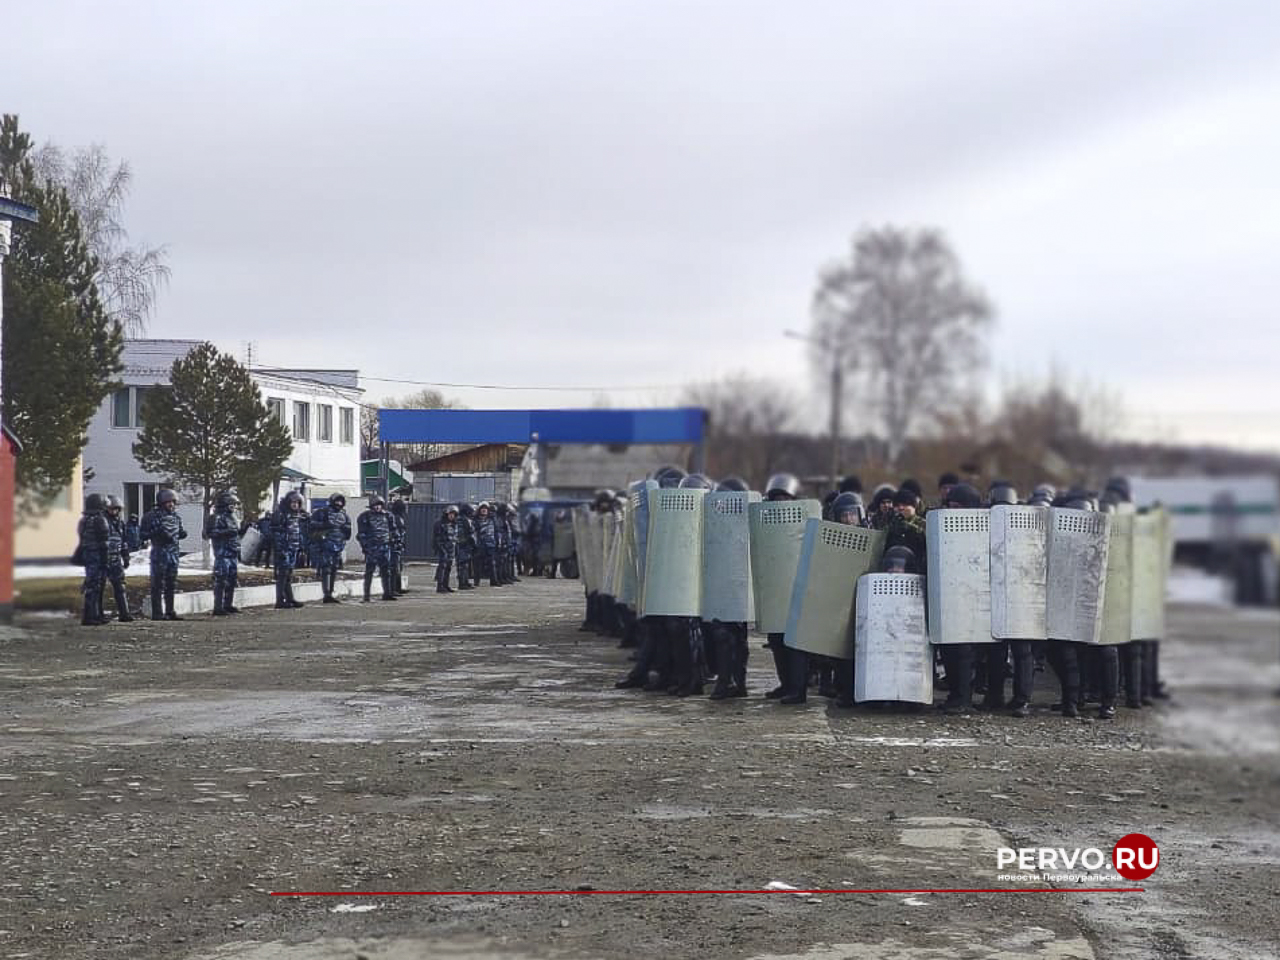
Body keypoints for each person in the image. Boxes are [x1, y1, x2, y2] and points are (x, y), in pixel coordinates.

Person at [937, 482, 982, 713]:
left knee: (964, 652)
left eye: (958, 506)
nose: (953, 511)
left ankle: (964, 698)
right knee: (949, 650)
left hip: (970, 599)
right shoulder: (944, 528)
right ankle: (955, 695)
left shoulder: (980, 530)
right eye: (951, 506)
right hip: (949, 596)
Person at [761, 472, 802, 701]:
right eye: (777, 499)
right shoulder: (765, 522)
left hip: (796, 589)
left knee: (794, 641)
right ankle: (786, 684)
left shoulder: (802, 520)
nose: (781, 504)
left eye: (785, 499)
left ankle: (797, 689)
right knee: (776, 640)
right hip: (775, 589)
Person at [141, 488, 188, 621]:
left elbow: (179, 532)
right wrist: (157, 532)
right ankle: (157, 613)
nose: (171, 505)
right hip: (160, 553)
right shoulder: (151, 516)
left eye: (173, 502)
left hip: (173, 553)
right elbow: (142, 534)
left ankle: (170, 610)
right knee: (157, 584)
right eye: (168, 502)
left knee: (171, 583)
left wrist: (182, 534)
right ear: (162, 502)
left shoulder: (175, 517)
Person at [76, 493, 111, 626]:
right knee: (95, 586)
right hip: (97, 554)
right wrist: (105, 560)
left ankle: (94, 614)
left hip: (88, 554)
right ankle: (90, 616)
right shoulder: (100, 520)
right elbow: (104, 541)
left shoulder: (84, 520)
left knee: (92, 584)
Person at [310, 493, 352, 604]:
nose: (339, 504)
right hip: (326, 544)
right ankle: (326, 594)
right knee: (326, 568)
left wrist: (346, 530)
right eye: (337, 501)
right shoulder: (322, 512)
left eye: (341, 502)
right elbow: (312, 524)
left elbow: (348, 530)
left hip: (338, 545)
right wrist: (324, 525)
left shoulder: (344, 515)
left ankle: (330, 592)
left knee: (333, 569)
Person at [357, 494, 398, 602]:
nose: (377, 507)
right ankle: (366, 595)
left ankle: (387, 593)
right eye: (375, 505)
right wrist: (365, 546)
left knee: (386, 571)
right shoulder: (364, 517)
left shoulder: (388, 516)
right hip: (372, 547)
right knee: (369, 571)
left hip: (385, 546)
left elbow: (394, 530)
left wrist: (394, 541)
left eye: (379, 505)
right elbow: (361, 533)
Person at [100, 495, 134, 623]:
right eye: (112, 508)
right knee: (99, 587)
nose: (114, 511)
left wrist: (125, 556)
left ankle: (124, 613)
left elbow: (123, 540)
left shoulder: (120, 523)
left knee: (120, 586)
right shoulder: (100, 521)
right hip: (103, 558)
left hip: (115, 558)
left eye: (117, 509)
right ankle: (97, 614)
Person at [271, 491, 307, 609]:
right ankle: (279, 600)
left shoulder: (296, 515)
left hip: (293, 548)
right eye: (293, 502)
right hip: (284, 548)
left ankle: (290, 598)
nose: (295, 505)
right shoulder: (281, 514)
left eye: (297, 502)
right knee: (282, 574)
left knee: (288, 574)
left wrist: (301, 546)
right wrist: (280, 549)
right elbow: (276, 533)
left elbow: (298, 532)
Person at [209, 492, 242, 616]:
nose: (233, 506)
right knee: (221, 580)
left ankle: (228, 604)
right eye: (231, 504)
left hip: (232, 552)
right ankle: (218, 606)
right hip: (222, 553)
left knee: (232, 579)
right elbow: (210, 533)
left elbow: (237, 532)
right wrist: (226, 532)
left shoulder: (233, 517)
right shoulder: (216, 517)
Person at [473, 501, 500, 588]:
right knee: (478, 564)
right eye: (482, 509)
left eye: (485, 509)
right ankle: (476, 581)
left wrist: (497, 542)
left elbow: (496, 531)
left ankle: (494, 581)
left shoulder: (492, 519)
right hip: (480, 545)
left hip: (490, 544)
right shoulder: (475, 520)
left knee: (492, 563)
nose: (484, 511)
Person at [434, 505, 460, 594]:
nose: (452, 516)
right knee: (442, 566)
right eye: (450, 514)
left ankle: (445, 584)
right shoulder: (440, 523)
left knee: (448, 567)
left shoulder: (454, 524)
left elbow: (455, 537)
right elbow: (436, 537)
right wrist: (440, 548)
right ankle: (440, 586)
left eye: (454, 514)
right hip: (443, 547)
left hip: (451, 548)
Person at [389, 497, 408, 595]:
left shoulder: (399, 518)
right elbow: (396, 533)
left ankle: (397, 587)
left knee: (398, 567)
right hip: (394, 546)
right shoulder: (396, 518)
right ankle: (393, 589)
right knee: (394, 568)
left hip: (398, 545)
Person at [456, 503, 478, 590]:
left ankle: (465, 582)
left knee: (464, 565)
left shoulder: (460, 520)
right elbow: (469, 533)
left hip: (462, 545)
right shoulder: (464, 520)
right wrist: (473, 543)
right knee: (463, 565)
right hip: (463, 545)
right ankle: (462, 583)